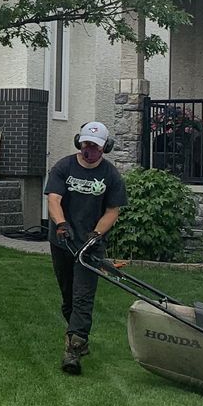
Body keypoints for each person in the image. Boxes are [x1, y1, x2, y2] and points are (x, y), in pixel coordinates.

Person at [44, 120, 127, 375]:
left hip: (90, 246)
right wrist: (61, 224)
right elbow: (54, 199)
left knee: (83, 297)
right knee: (68, 298)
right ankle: (79, 337)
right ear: (79, 143)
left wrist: (96, 234)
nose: (88, 150)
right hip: (63, 242)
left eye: (94, 146)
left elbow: (113, 211)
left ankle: (73, 350)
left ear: (105, 148)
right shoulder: (63, 167)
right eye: (85, 144)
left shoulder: (110, 175)